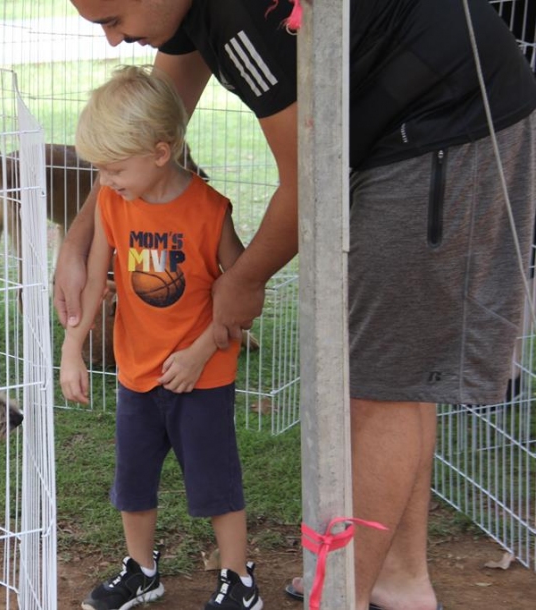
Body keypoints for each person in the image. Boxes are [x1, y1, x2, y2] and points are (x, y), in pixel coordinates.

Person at [57, 2, 536, 609]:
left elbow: (305, 173)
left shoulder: (237, 13)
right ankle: (399, 577)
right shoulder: (186, 14)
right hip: (406, 127)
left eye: (112, 16)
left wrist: (246, 277)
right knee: (395, 374)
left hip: (445, 120)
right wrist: (78, 241)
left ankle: (344, 596)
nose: (111, 38)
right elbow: (158, 106)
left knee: (378, 381)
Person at [60, 64, 261, 610]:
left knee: (216, 483)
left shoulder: (210, 211)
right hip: (136, 372)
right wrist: (71, 352)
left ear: (159, 151)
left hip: (204, 375)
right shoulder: (111, 204)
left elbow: (242, 299)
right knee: (133, 484)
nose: (104, 180)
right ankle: (142, 571)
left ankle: (239, 580)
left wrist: (199, 354)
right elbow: (96, 285)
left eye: (113, 168)